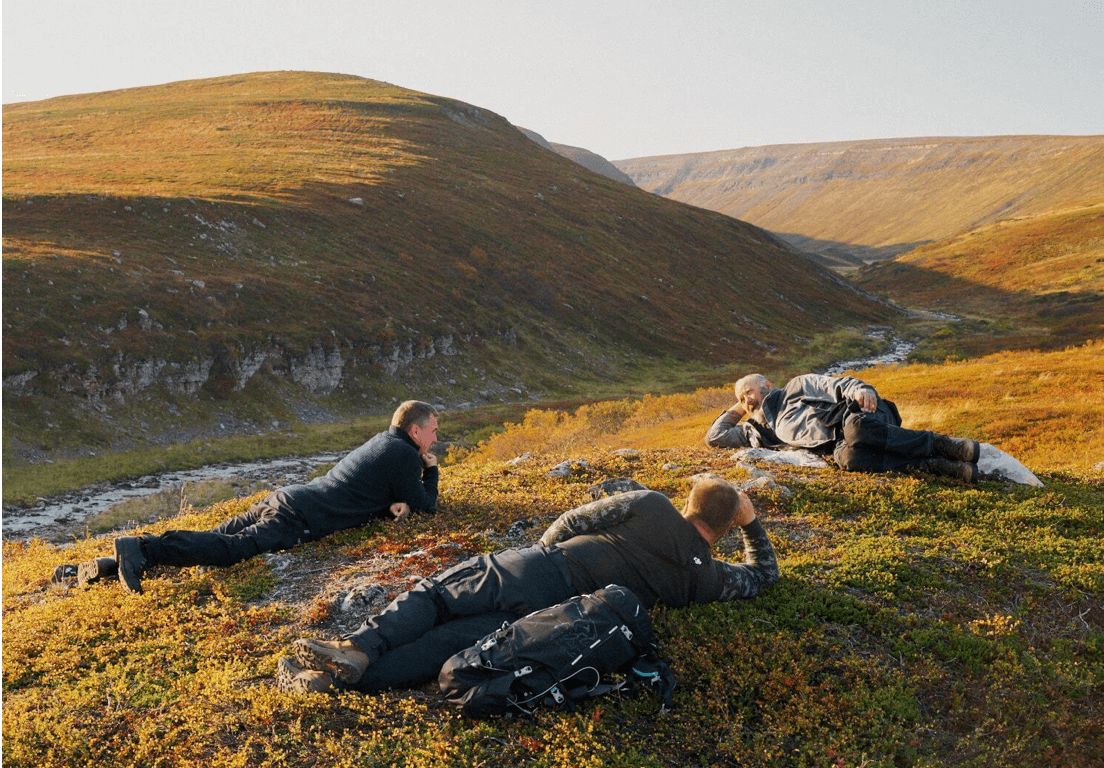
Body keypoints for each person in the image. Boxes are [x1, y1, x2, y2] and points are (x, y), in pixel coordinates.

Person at [276, 475, 780, 693]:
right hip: (553, 619)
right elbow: (763, 576)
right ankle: (342, 682)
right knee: (450, 644)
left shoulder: (651, 503)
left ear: (687, 502)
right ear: (726, 528)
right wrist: (752, 523)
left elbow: (574, 519)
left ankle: (359, 647)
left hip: (540, 567)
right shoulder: (707, 579)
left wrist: (540, 552)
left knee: (436, 594)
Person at [55, 400, 441, 594]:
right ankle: (139, 547)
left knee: (209, 541)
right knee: (230, 551)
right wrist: (431, 468)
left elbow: (382, 491)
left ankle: (107, 564)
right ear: (414, 431)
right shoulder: (405, 456)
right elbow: (426, 507)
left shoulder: (383, 444)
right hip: (300, 518)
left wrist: (388, 504)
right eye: (432, 431)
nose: (435, 438)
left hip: (289, 498)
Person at [705, 373, 981, 482]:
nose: (745, 400)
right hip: (838, 446)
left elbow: (835, 385)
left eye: (748, 392)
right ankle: (936, 466)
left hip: (861, 416)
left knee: (858, 431)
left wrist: (861, 390)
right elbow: (715, 437)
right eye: (740, 397)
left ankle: (944, 445)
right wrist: (742, 406)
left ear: (766, 386)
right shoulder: (756, 432)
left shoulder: (795, 387)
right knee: (851, 458)